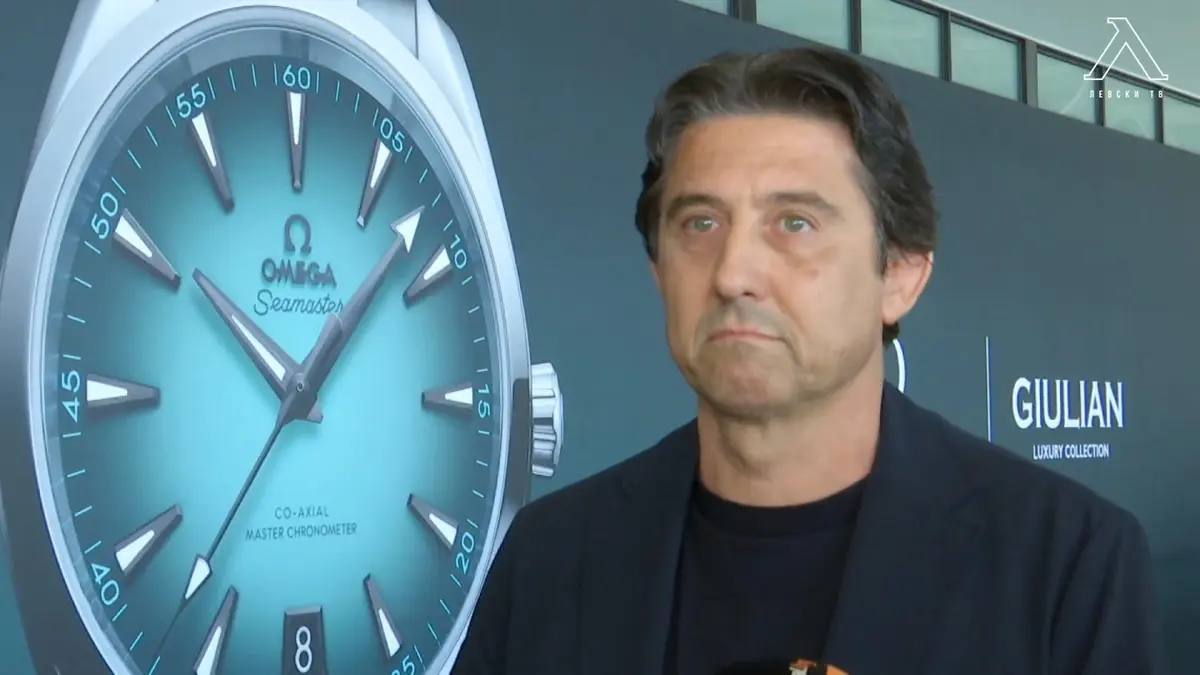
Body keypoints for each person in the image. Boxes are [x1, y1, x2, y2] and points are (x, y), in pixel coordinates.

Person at [451, 46, 1164, 675]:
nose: (733, 272)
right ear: (659, 272)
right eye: (701, 223)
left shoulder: (1066, 564)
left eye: (794, 223)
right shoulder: (548, 558)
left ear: (900, 274)